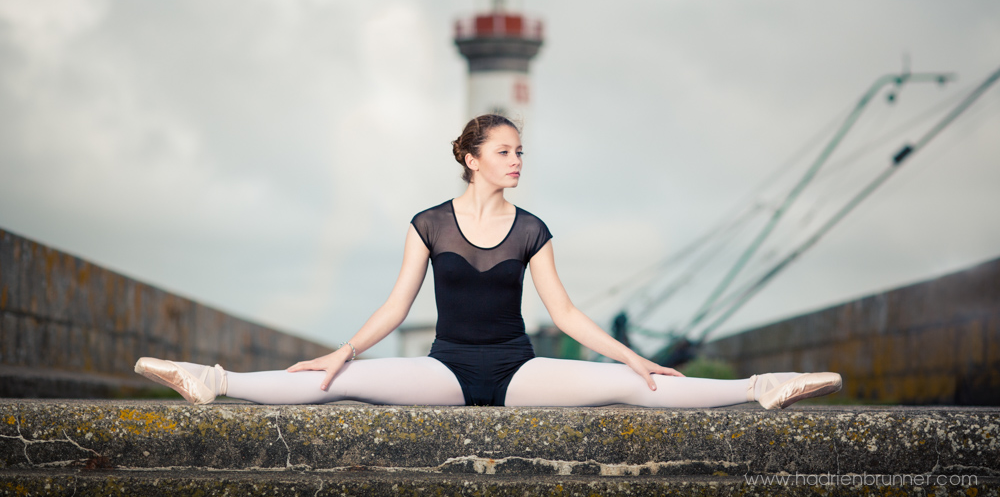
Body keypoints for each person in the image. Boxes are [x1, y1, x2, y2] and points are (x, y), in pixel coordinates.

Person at [135, 114, 842, 409]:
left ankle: (760, 388)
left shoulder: (533, 229)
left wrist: (632, 356)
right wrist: (342, 350)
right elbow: (397, 306)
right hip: (445, 367)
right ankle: (212, 380)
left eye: (521, 151)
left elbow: (563, 312)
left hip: (518, 369)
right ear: (472, 158)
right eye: (505, 152)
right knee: (336, 383)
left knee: (636, 389)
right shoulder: (429, 224)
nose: (517, 161)